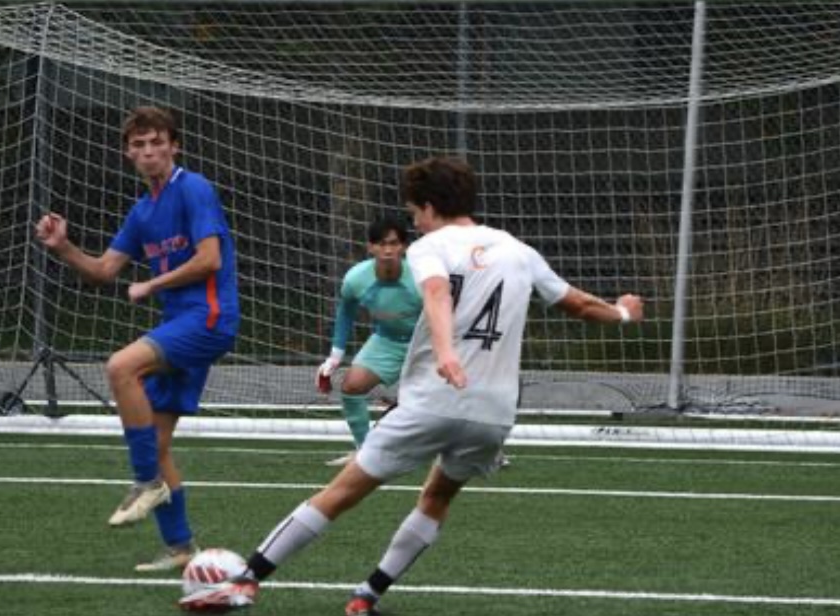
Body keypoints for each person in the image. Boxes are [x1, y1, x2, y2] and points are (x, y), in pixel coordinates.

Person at [178, 156, 642, 614]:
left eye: (415, 213)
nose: (415, 224)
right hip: (494, 414)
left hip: (434, 399)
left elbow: (437, 294)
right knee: (437, 496)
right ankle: (367, 596)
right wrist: (622, 312)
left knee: (340, 493)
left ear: (428, 206)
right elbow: (580, 304)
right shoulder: (519, 250)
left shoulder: (430, 247)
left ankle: (246, 581)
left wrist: (444, 353)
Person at [35, 106, 239, 572]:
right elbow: (104, 270)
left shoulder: (194, 188)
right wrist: (64, 247)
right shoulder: (142, 211)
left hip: (209, 318)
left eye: (156, 142)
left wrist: (152, 285)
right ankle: (181, 547)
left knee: (121, 365)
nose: (148, 152)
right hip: (181, 325)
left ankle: (146, 482)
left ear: (173, 145)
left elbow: (209, 260)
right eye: (139, 145)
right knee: (160, 441)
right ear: (128, 153)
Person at [316, 216, 422, 466]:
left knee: (456, 395)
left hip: (426, 344)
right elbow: (346, 313)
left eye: (394, 243)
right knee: (351, 385)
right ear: (370, 247)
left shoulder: (421, 278)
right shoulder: (356, 278)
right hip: (387, 340)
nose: (387, 250)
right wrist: (334, 357)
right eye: (381, 244)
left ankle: (486, 451)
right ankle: (365, 454)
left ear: (404, 247)